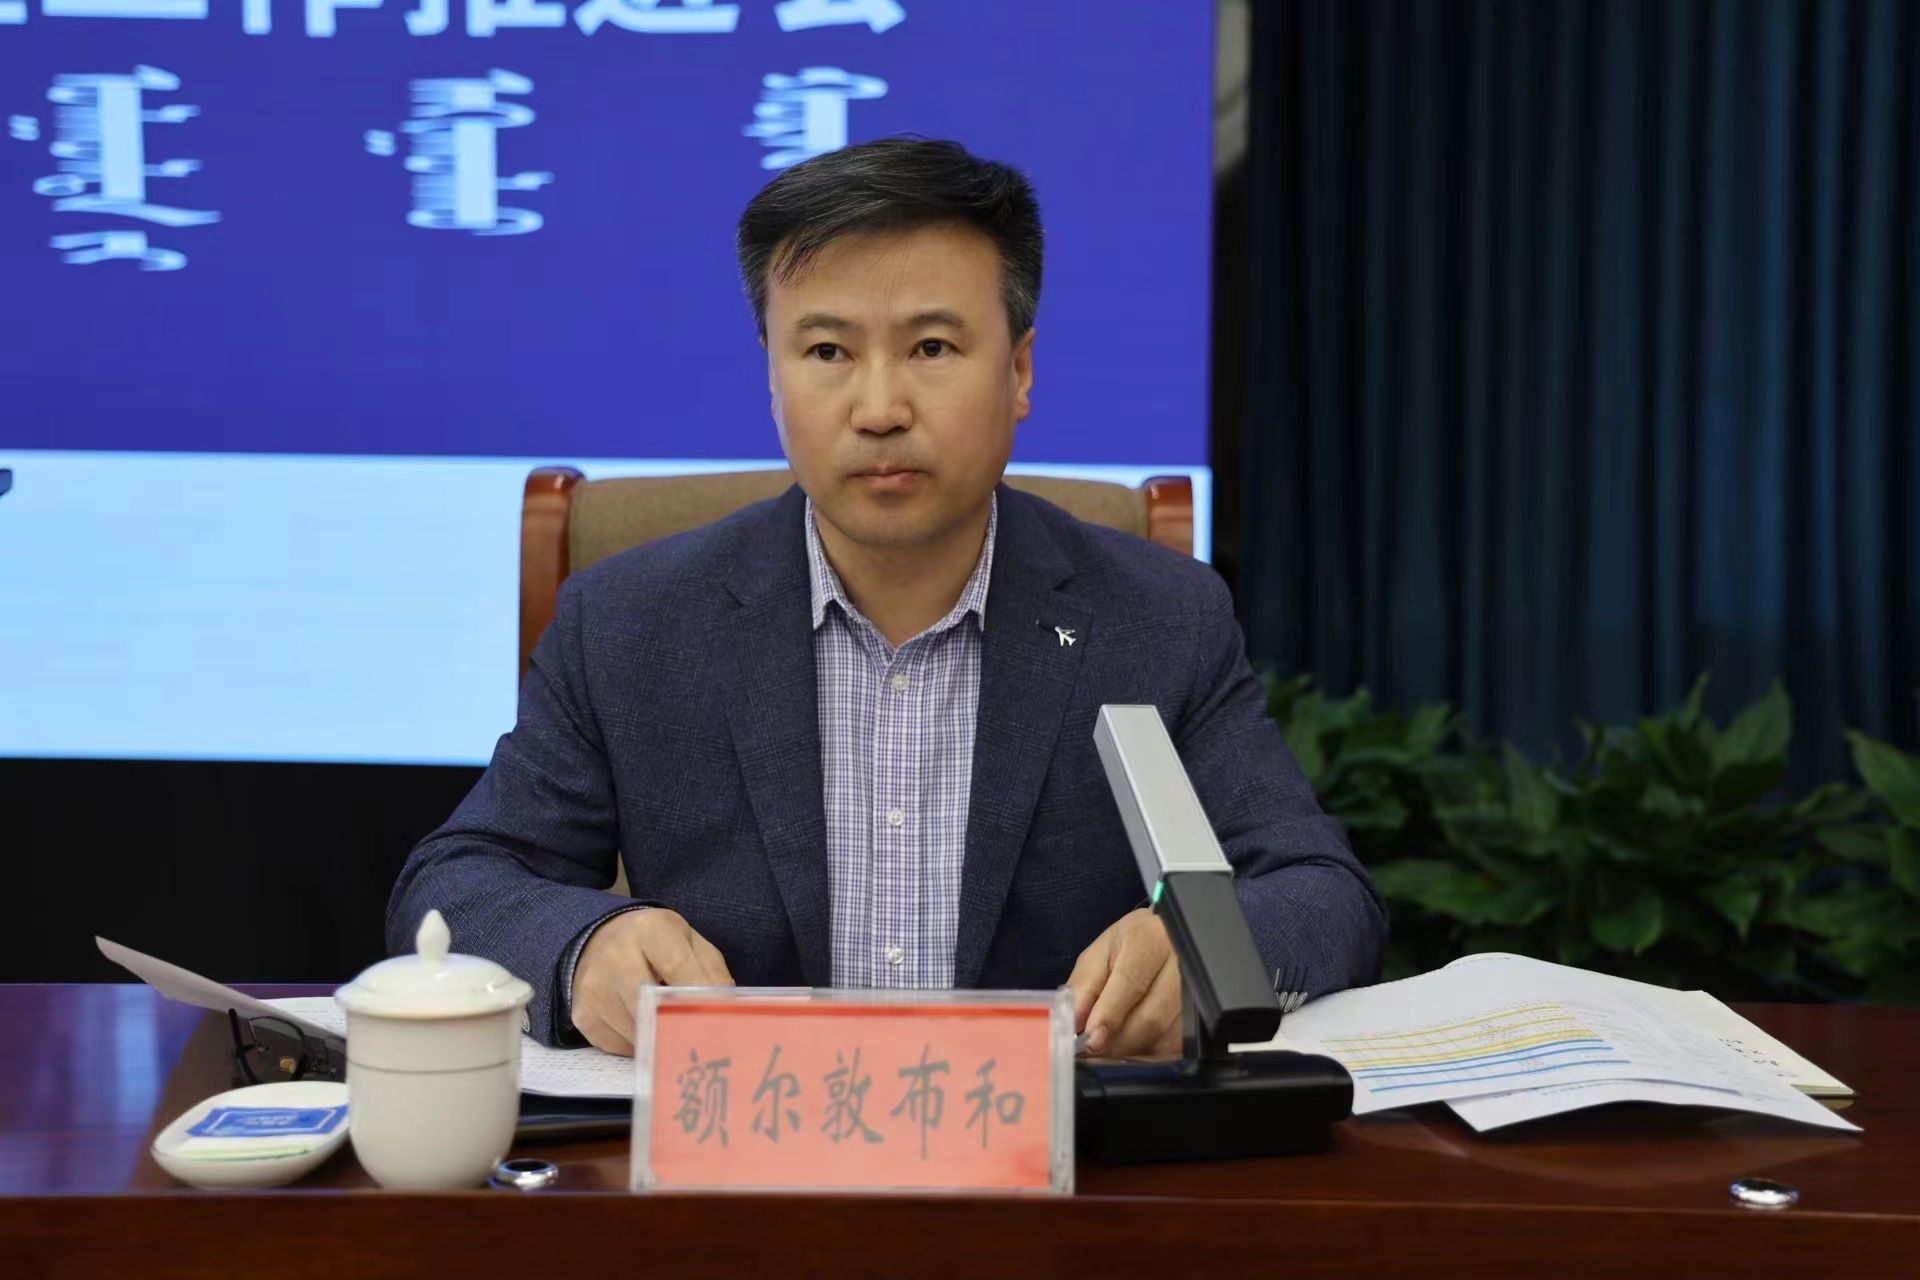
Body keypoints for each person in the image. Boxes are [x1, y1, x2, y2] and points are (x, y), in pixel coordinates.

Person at [388, 138, 1385, 1058]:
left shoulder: (1158, 618)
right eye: (827, 352)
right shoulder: (630, 624)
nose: (879, 409)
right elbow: (455, 883)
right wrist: (584, 947)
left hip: (1051, 1162)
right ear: (772, 379)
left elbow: (1321, 892)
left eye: (931, 348)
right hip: (744, 1154)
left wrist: (1204, 948)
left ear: (1020, 371)